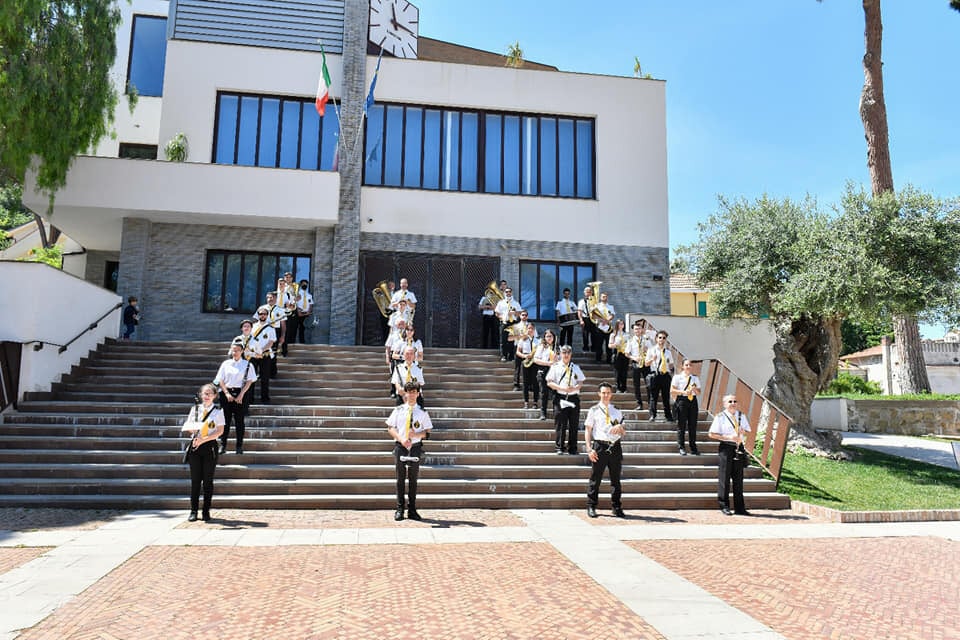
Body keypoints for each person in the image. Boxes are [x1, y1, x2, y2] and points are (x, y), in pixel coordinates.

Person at [386, 381, 433, 521]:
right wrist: (401, 439)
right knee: (400, 479)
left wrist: (417, 435)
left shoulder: (422, 412)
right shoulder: (398, 410)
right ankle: (400, 508)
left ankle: (412, 509)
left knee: (413, 479)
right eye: (409, 392)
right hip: (401, 446)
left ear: (418, 394)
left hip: (415, 448)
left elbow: (428, 432)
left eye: (414, 392)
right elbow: (390, 428)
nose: (411, 395)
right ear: (405, 393)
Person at [181, 383, 225, 522]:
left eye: (209, 394)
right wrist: (193, 430)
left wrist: (204, 439)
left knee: (207, 481)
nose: (206, 396)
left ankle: (206, 511)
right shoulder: (195, 410)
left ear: (214, 396)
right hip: (195, 446)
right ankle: (193, 511)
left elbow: (220, 431)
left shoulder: (218, 412)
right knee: (195, 481)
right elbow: (188, 426)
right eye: (204, 394)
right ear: (201, 395)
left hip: (209, 448)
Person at [584, 382, 627, 518]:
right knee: (595, 478)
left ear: (611, 394)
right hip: (600, 446)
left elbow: (623, 431)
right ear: (599, 394)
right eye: (603, 393)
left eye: (608, 393)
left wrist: (620, 428)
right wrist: (589, 449)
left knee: (616, 479)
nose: (606, 395)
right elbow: (588, 429)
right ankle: (591, 505)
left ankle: (616, 506)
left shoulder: (617, 410)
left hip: (615, 446)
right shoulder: (594, 410)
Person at [708, 395, 752, 516]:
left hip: (738, 447)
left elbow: (748, 430)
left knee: (738, 479)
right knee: (724, 478)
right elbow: (711, 434)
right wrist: (727, 437)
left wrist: (744, 432)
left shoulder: (741, 416)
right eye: (730, 401)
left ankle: (740, 508)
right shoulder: (720, 417)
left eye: (735, 401)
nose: (733, 403)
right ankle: (724, 505)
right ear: (724, 404)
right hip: (726, 447)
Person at [214, 343, 257, 455]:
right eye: (233, 350)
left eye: (237, 350)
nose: (235, 352)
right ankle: (223, 445)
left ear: (242, 351)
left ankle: (239, 446)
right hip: (226, 393)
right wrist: (227, 393)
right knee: (225, 421)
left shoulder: (247, 364)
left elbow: (250, 381)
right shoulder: (226, 364)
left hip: (241, 393)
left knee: (239, 421)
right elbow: (220, 380)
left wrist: (241, 394)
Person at [545, 345, 586, 455]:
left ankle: (573, 448)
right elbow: (549, 382)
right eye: (564, 352)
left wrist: (576, 387)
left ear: (571, 354)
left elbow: (581, 381)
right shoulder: (555, 366)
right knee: (560, 424)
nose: (566, 355)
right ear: (560, 354)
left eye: (568, 352)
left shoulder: (575, 367)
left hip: (573, 398)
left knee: (574, 423)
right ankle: (559, 447)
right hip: (561, 397)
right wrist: (561, 388)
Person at [670, 359, 701, 456]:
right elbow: (672, 390)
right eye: (686, 365)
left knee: (693, 425)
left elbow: (699, 392)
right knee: (681, 425)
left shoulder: (695, 378)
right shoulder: (677, 377)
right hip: (682, 400)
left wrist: (694, 389)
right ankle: (681, 447)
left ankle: (693, 447)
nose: (688, 367)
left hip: (692, 401)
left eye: (690, 365)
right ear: (682, 366)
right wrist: (684, 392)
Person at [645, 330, 674, 422]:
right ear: (656, 339)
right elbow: (646, 364)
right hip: (655, 375)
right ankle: (653, 415)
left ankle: (668, 416)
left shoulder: (668, 352)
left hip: (665, 375)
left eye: (664, 338)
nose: (662, 339)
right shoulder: (651, 350)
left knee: (666, 397)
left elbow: (671, 364)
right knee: (654, 397)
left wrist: (670, 367)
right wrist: (652, 360)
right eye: (660, 337)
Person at [250, 306, 277, 404]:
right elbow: (248, 340)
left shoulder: (271, 328)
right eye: (260, 314)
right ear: (258, 315)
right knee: (251, 378)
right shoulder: (252, 326)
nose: (262, 315)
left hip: (265, 355)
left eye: (264, 314)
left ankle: (265, 398)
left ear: (267, 315)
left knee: (265, 377)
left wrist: (261, 350)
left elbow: (271, 342)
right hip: (253, 355)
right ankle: (250, 399)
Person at [533, 328, 560, 420]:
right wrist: (548, 363)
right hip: (543, 371)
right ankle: (543, 412)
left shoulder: (557, 348)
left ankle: (556, 412)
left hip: (554, 372)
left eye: (551, 336)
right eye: (547, 336)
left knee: (555, 393)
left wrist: (558, 360)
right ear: (544, 337)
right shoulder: (542, 347)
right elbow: (536, 359)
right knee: (544, 393)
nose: (549, 338)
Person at [509, 309, 537, 391]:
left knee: (530, 366)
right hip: (518, 347)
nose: (524, 316)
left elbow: (536, 337)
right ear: (520, 316)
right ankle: (516, 384)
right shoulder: (515, 326)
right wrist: (519, 337)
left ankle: (530, 385)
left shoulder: (531, 326)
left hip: (529, 348)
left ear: (527, 316)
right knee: (517, 366)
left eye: (525, 315)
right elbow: (509, 338)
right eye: (522, 315)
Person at [624, 322, 650, 410]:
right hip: (636, 363)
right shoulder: (630, 340)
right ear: (633, 330)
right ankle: (639, 404)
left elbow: (652, 350)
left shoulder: (646, 339)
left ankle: (651, 403)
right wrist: (634, 358)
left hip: (645, 363)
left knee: (649, 383)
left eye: (639, 329)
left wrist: (647, 350)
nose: (637, 331)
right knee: (636, 385)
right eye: (635, 329)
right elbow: (626, 353)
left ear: (642, 329)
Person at [494, 286, 522, 362]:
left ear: (511, 293)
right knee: (503, 340)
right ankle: (504, 356)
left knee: (512, 340)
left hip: (513, 323)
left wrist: (514, 312)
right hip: (505, 322)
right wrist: (502, 318)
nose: (508, 293)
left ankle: (511, 357)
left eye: (509, 291)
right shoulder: (501, 303)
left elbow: (520, 313)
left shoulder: (516, 303)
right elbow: (496, 313)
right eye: (506, 292)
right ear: (504, 293)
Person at [515, 322, 539, 409]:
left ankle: (535, 402)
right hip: (525, 360)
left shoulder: (538, 341)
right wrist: (525, 356)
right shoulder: (522, 340)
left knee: (535, 382)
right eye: (529, 328)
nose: (530, 330)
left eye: (532, 328)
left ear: (534, 330)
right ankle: (526, 402)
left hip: (535, 362)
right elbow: (517, 352)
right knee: (525, 383)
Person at [592, 292, 615, 363]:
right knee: (599, 344)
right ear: (600, 298)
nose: (604, 298)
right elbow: (593, 315)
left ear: (607, 297)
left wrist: (607, 320)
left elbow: (612, 315)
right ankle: (598, 359)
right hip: (599, 327)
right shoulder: (596, 306)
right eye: (603, 296)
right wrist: (602, 320)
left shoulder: (610, 307)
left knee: (609, 344)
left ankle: (609, 360)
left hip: (608, 327)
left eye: (605, 296)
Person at [608, 318, 629, 392]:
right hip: (617, 353)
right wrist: (616, 344)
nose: (621, 325)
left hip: (625, 354)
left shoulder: (626, 334)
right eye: (620, 324)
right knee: (617, 372)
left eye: (622, 324)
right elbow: (609, 345)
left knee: (624, 372)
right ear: (617, 325)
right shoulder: (613, 334)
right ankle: (618, 388)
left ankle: (624, 388)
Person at [294, 279, 314, 343]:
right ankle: (296, 341)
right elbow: (295, 303)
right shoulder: (297, 294)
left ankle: (304, 342)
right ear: (300, 285)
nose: (304, 285)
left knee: (304, 328)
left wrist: (309, 311)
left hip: (306, 313)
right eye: (303, 284)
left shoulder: (309, 295)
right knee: (297, 328)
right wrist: (298, 310)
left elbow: (311, 304)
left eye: (306, 284)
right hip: (299, 313)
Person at [577, 285, 595, 353]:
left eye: (589, 292)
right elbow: (579, 311)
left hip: (593, 319)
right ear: (584, 293)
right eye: (587, 292)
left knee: (594, 334)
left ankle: (593, 348)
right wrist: (581, 320)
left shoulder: (594, 301)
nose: (588, 293)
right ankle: (585, 348)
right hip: (585, 318)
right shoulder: (581, 301)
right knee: (585, 334)